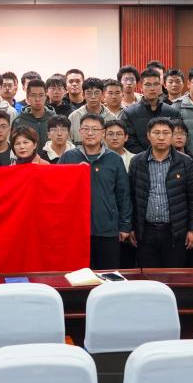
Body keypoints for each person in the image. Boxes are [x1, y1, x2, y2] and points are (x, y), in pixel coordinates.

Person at [60, 114, 132, 270]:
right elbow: (58, 191)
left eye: (95, 129)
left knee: (107, 274)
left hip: (107, 228)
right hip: (76, 230)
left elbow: (123, 195)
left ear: (103, 132)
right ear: (79, 131)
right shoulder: (68, 157)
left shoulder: (114, 159)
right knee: (78, 275)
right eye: (86, 129)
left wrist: (125, 226)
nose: (90, 133)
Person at [128, 117, 193, 268]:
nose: (161, 137)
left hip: (175, 231)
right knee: (148, 276)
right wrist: (132, 228)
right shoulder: (137, 162)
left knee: (174, 275)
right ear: (148, 135)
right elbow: (131, 197)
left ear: (172, 135)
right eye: (156, 132)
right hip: (146, 231)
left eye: (166, 133)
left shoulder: (186, 162)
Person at [121, 68, 180, 153]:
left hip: (168, 157)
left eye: (156, 84)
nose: (152, 88)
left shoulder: (172, 111)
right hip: (140, 158)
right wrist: (147, 156)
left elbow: (177, 137)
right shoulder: (129, 113)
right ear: (141, 87)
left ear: (160, 85)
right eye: (148, 85)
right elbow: (129, 141)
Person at [68, 78, 112, 143]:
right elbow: (68, 144)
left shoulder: (111, 118)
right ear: (83, 95)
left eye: (97, 93)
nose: (93, 97)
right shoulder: (73, 117)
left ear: (103, 94)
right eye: (89, 93)